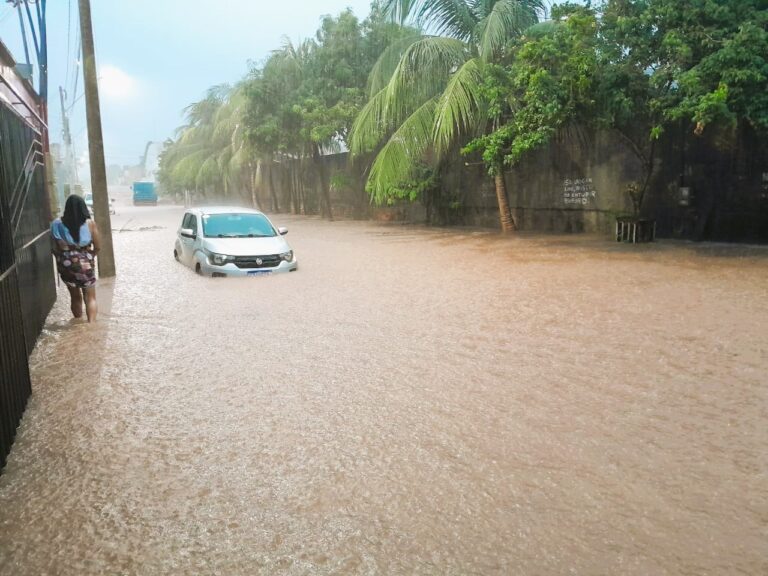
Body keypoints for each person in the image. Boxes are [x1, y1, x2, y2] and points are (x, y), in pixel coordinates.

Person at [50, 194, 102, 322]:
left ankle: (77, 323)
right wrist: (89, 257)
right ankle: (90, 326)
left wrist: (63, 258)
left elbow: (54, 248)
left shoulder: (56, 224)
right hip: (86, 263)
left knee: (75, 296)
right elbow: (98, 246)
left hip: (66, 264)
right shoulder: (90, 224)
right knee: (90, 297)